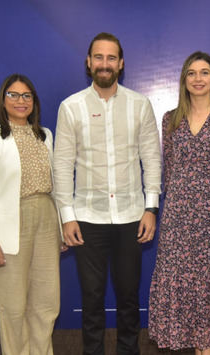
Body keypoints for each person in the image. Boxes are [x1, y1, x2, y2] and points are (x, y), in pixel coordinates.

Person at [53, 32, 161, 355]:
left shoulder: (140, 105)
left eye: (111, 58)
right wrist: (67, 217)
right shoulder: (70, 107)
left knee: (129, 299)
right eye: (98, 57)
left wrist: (151, 208)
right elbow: (62, 166)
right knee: (92, 300)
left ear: (121, 63)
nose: (104, 64)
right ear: (88, 62)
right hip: (87, 219)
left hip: (132, 217)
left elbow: (151, 160)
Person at [148, 51, 210, 354]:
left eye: (204, 72)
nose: (198, 79)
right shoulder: (170, 119)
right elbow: (169, 170)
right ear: (184, 79)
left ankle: (206, 350)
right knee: (182, 286)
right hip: (178, 219)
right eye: (191, 73)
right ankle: (192, 346)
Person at [0, 73, 65, 355]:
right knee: (13, 307)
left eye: (26, 96)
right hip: (9, 226)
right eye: (13, 95)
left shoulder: (45, 135)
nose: (20, 101)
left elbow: (57, 185)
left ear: (34, 102)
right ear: (3, 100)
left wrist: (60, 228)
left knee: (47, 303)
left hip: (47, 220)